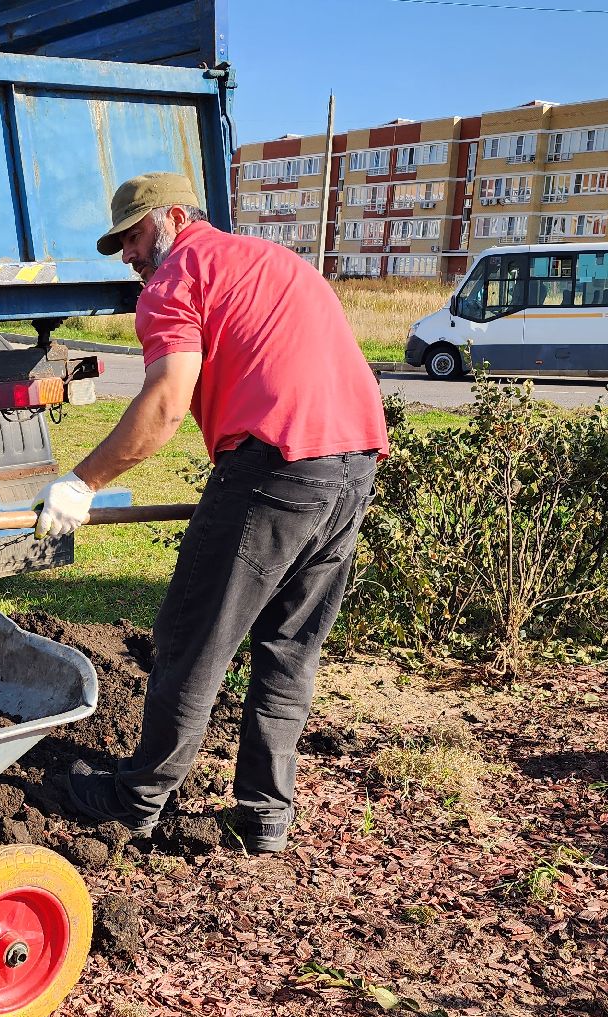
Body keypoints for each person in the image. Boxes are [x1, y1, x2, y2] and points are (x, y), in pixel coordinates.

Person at [34, 172, 389, 855]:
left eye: (134, 237)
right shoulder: (273, 260)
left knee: (191, 636)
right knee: (288, 647)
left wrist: (81, 482)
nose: (131, 257)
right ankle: (265, 818)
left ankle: (134, 799)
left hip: (278, 462)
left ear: (172, 217)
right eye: (120, 246)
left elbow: (166, 404)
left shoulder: (178, 278)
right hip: (353, 463)